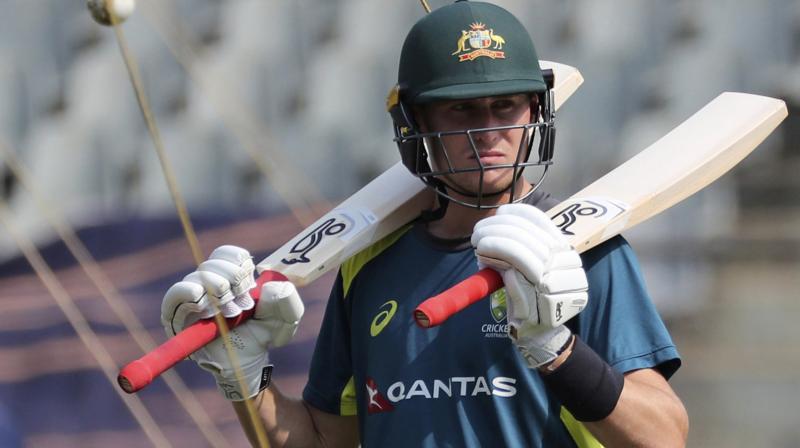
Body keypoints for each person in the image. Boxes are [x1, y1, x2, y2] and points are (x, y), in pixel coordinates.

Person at [160, 1, 689, 446]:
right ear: (416, 124)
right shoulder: (366, 267)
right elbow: (323, 440)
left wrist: (557, 349)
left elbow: (665, 435)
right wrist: (246, 377)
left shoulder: (585, 251)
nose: (487, 131)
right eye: (459, 111)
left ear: (534, 113)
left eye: (504, 106)